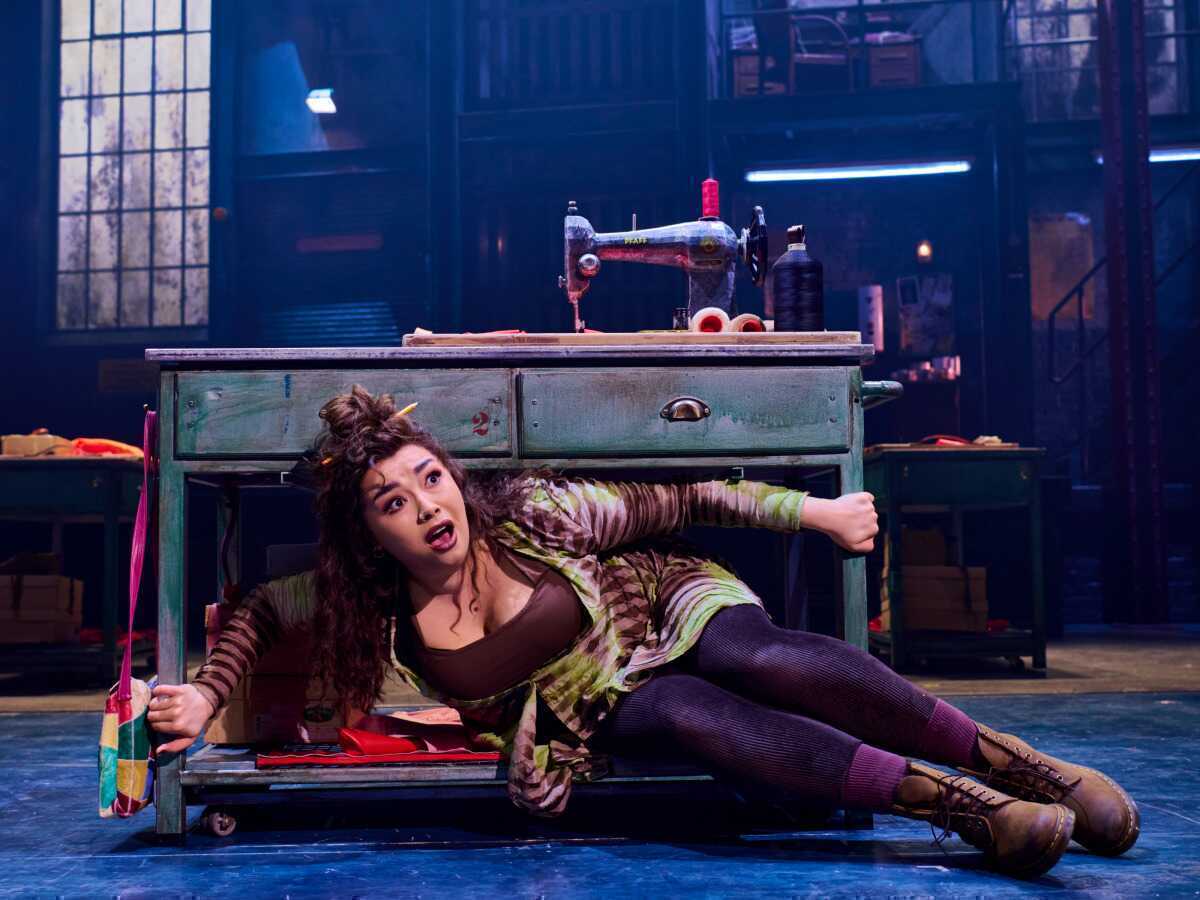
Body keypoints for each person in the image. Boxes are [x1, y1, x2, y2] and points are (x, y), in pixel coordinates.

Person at [148, 386, 1138, 878]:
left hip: (663, 603)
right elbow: (261, 611)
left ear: (453, 476)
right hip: (604, 700)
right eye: (392, 502)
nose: (427, 508)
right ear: (368, 531)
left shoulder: (536, 515)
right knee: (691, 715)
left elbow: (688, 495)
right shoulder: (378, 607)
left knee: (753, 653)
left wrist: (818, 513)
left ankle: (1025, 769)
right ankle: (967, 810)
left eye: (430, 479)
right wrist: (202, 692)